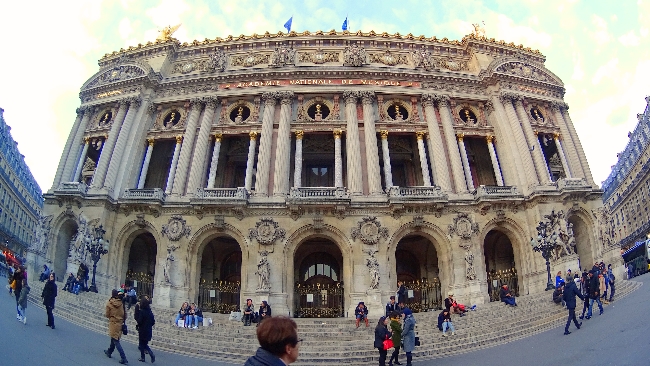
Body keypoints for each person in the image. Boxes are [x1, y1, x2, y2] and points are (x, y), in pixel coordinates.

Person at [104, 289, 128, 364]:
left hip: (113, 322)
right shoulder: (121, 303)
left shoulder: (109, 303)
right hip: (120, 324)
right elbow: (125, 315)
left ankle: (123, 357)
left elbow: (107, 314)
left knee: (116, 340)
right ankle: (109, 351)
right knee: (114, 338)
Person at [134, 296, 156, 363]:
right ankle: (145, 356)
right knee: (144, 344)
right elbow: (153, 321)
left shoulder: (142, 311)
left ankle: (146, 356)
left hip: (142, 330)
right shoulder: (150, 312)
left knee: (142, 344)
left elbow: (140, 321)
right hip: (148, 330)